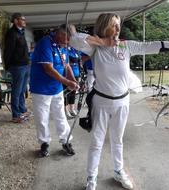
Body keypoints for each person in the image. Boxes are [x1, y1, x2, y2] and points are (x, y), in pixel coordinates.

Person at [69, 13, 169, 190]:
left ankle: (118, 171)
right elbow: (74, 39)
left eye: (119, 25)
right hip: (101, 102)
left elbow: (150, 46)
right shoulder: (94, 48)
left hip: (122, 102)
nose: (118, 29)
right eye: (114, 25)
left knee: (117, 140)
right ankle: (91, 177)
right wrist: (102, 42)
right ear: (104, 27)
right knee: (97, 142)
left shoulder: (126, 46)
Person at [29, 24, 109, 157]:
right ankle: (44, 143)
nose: (69, 42)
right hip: (41, 89)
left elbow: (66, 65)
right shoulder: (45, 43)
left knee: (61, 115)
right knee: (42, 118)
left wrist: (73, 80)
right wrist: (67, 82)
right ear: (60, 34)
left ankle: (66, 141)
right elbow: (48, 69)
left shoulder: (64, 45)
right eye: (68, 39)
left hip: (57, 88)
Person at [3, 12, 30, 123]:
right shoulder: (12, 33)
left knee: (22, 90)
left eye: (24, 19)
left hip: (25, 65)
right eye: (22, 19)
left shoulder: (21, 32)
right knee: (17, 91)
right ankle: (16, 115)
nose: (24, 21)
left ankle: (22, 111)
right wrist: (8, 65)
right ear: (15, 21)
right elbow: (8, 51)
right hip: (17, 66)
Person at [64, 47, 81, 118]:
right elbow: (66, 63)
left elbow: (79, 62)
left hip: (76, 73)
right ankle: (66, 110)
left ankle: (72, 108)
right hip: (68, 75)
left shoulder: (76, 51)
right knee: (67, 93)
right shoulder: (66, 50)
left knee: (73, 92)